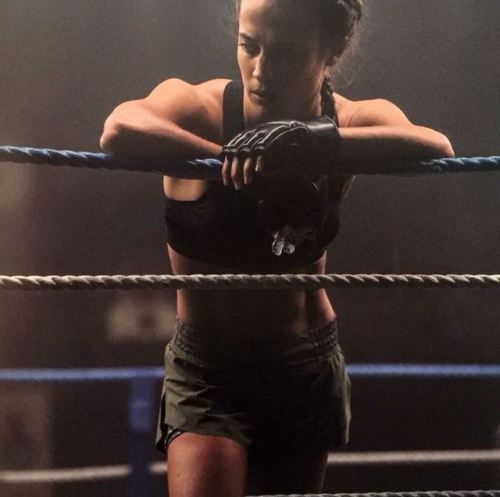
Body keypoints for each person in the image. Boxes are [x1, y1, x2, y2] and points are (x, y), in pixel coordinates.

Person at [100, 0, 454, 495]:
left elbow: (433, 146)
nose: (260, 70)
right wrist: (231, 160)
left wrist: (311, 145)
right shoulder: (201, 110)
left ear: (332, 50)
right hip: (210, 370)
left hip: (303, 361)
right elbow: (118, 129)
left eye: (285, 53)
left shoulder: (346, 118)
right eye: (249, 45)